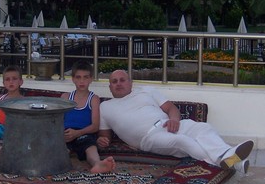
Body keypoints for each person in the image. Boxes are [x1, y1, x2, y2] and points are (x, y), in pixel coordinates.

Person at [97, 70, 254, 172]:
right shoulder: (104, 107)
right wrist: (102, 140)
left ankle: (228, 157)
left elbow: (171, 108)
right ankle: (226, 162)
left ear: (130, 83)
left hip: (168, 124)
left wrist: (174, 120)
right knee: (183, 141)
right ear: (110, 87)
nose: (118, 84)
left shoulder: (146, 91)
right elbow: (105, 136)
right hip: (149, 138)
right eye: (114, 81)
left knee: (203, 128)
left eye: (122, 80)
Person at [61, 60, 116, 173]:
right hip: (67, 133)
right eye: (78, 77)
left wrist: (77, 133)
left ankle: (97, 164)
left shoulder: (93, 99)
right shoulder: (65, 97)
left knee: (90, 147)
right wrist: (61, 134)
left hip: (84, 133)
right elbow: (57, 120)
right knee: (59, 147)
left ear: (91, 79)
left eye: (85, 77)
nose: (82, 81)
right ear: (73, 79)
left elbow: (95, 126)